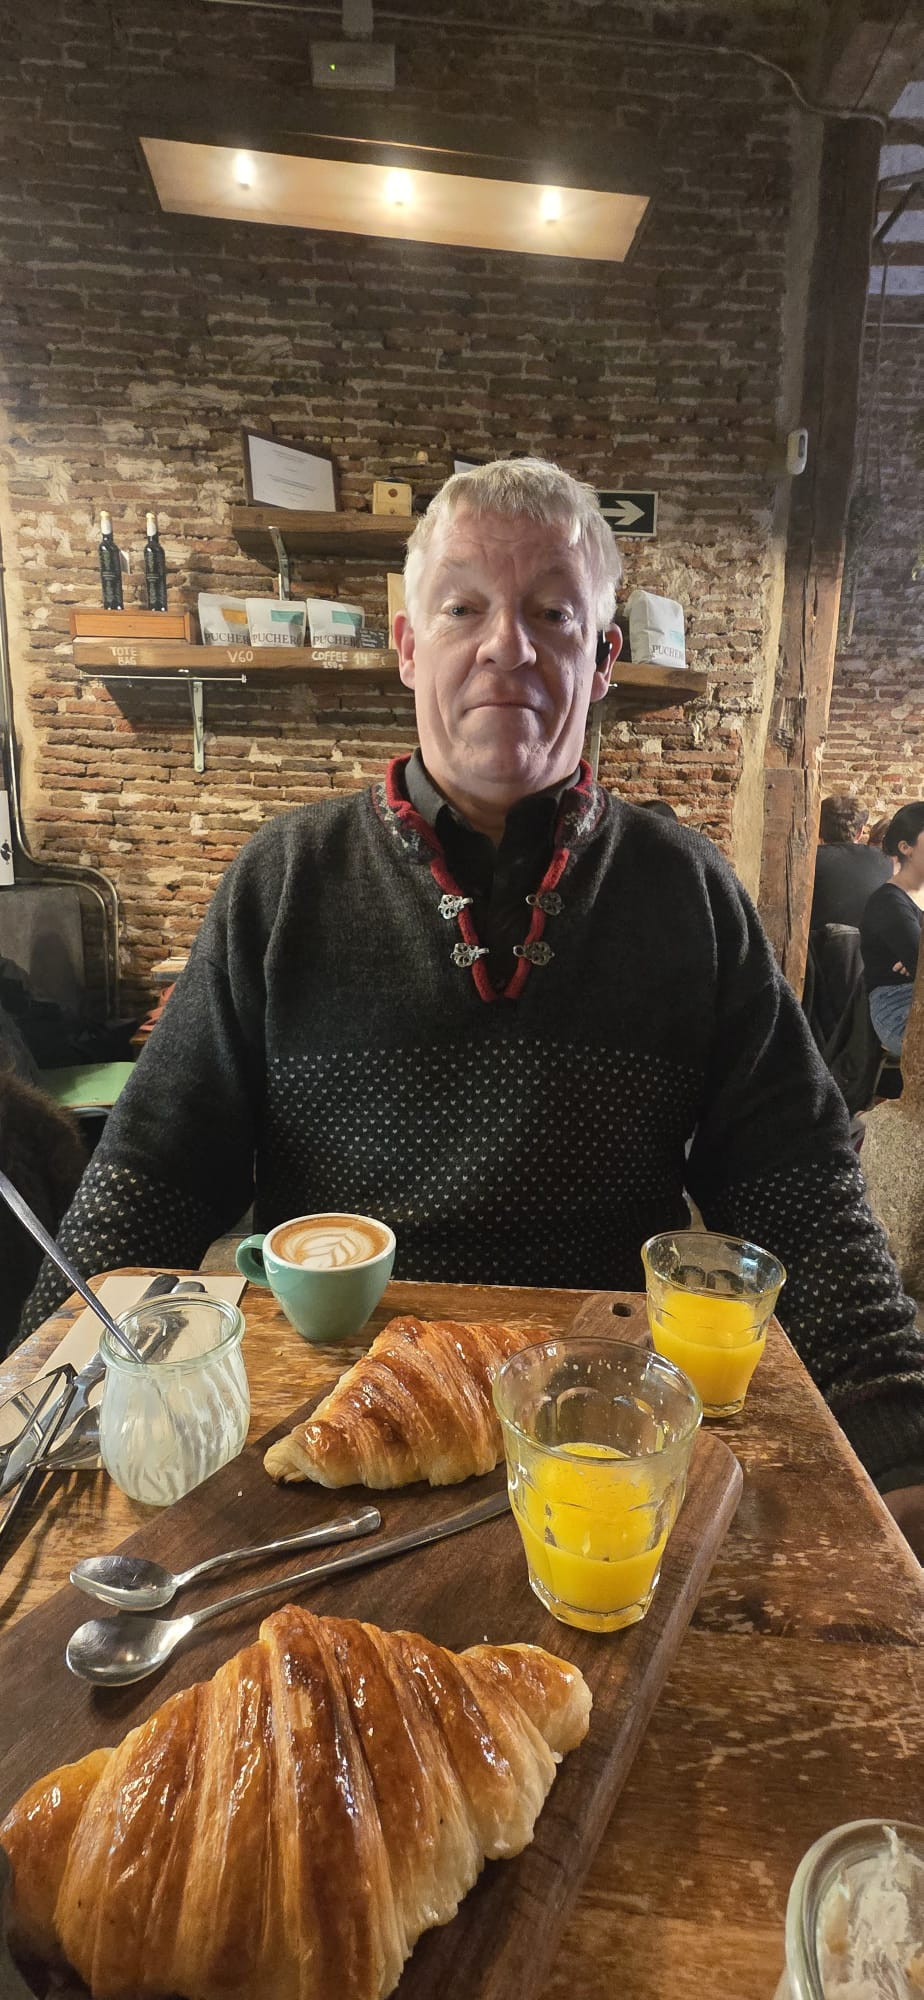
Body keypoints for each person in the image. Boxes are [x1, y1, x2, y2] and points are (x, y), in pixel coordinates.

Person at [20, 459, 924, 1553]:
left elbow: (797, 1180)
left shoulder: (686, 890)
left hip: (590, 1434)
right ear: (409, 646)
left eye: (553, 613)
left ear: (603, 658)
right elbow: (154, 1173)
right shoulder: (284, 880)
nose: (508, 646)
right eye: (463, 608)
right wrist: (37, 1392)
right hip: (322, 1429)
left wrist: (897, 1440)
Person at [860, 803, 924, 1058]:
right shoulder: (888, 902)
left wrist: (917, 961)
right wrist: (918, 962)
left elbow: (918, 962)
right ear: (905, 847)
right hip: (898, 1009)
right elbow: (921, 964)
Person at [810, 795, 891, 932]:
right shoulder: (885, 862)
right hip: (870, 944)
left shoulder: (810, 861)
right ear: (860, 832)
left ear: (819, 829)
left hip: (812, 944)